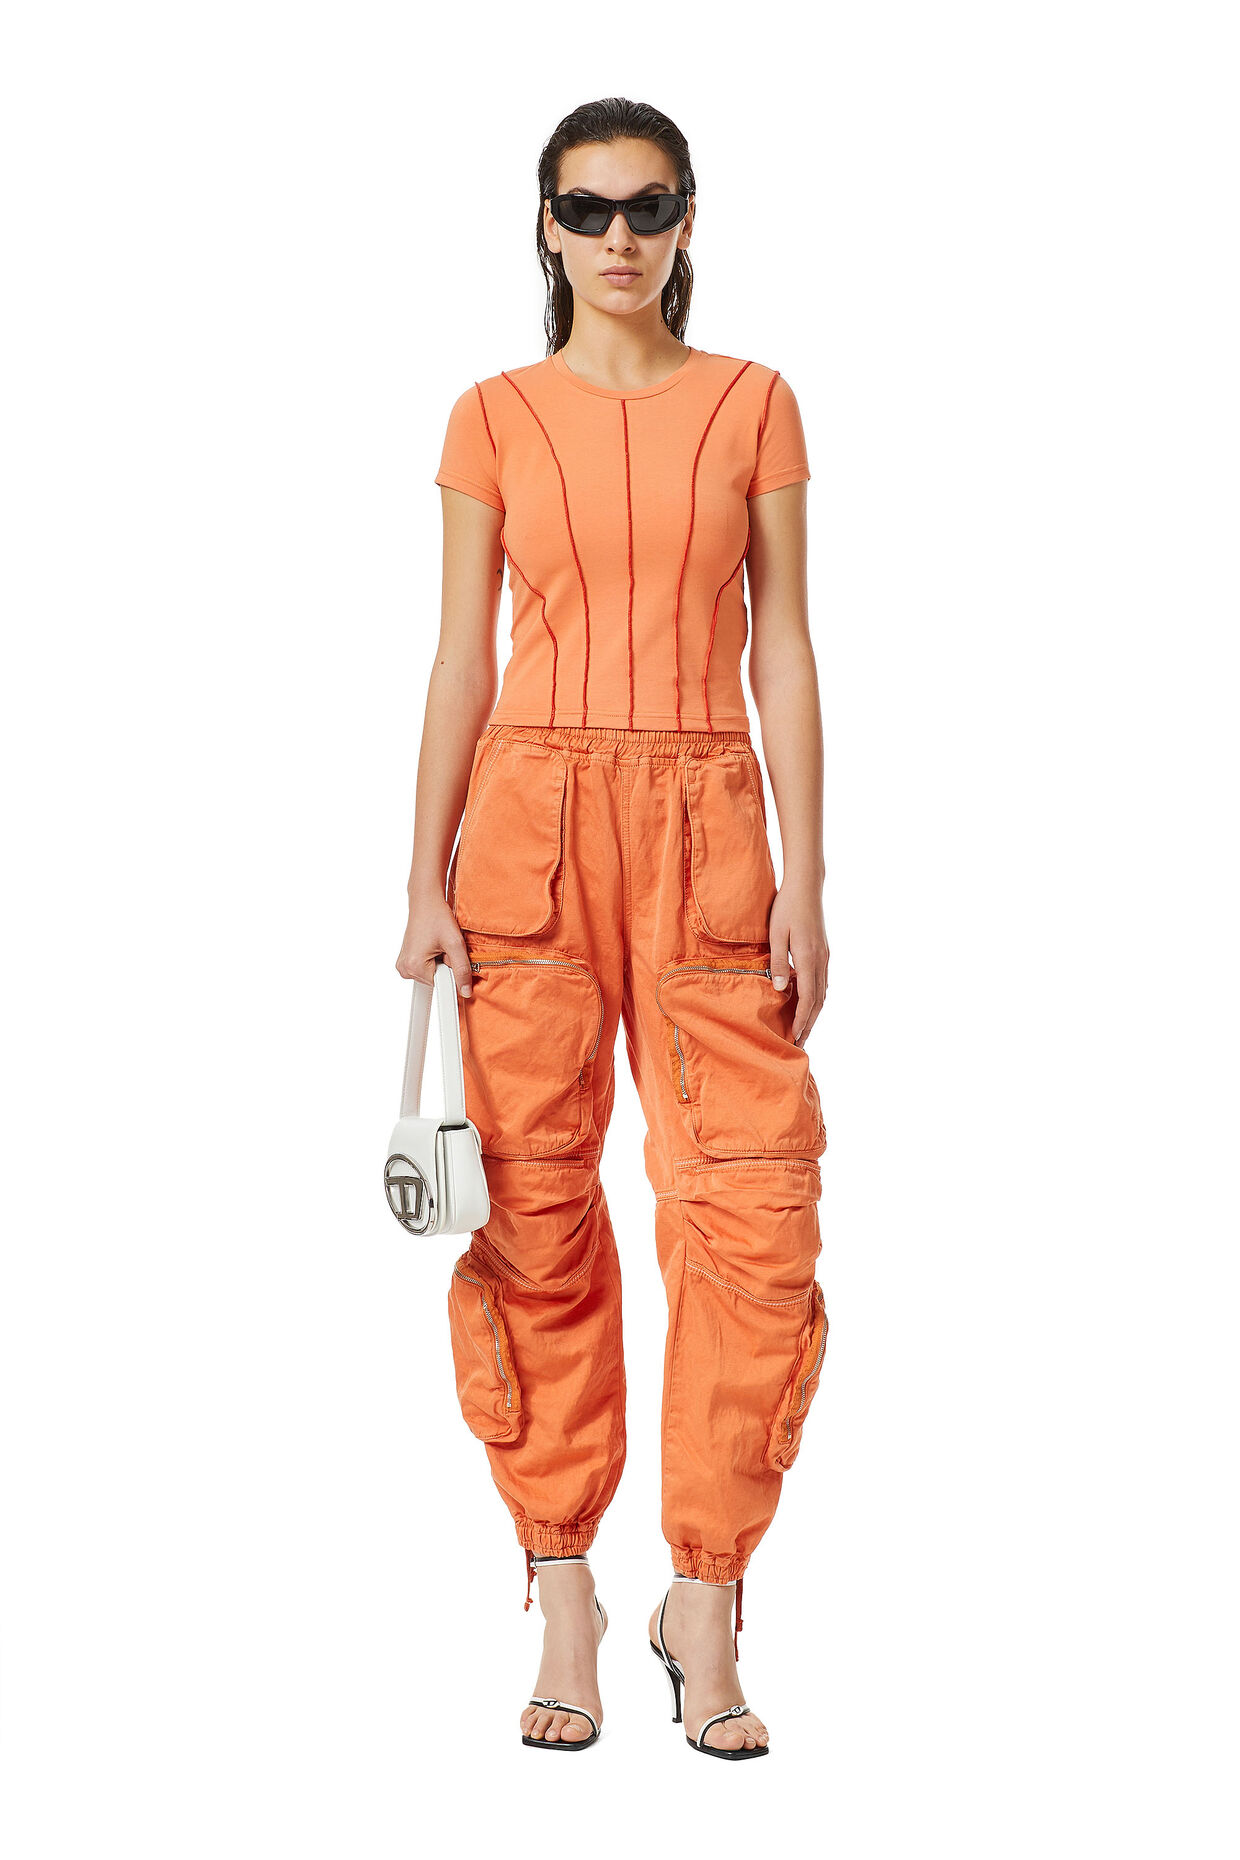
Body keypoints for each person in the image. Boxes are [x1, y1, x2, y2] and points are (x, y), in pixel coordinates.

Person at [396, 96, 830, 1760]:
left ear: (690, 220)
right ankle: (565, 1584)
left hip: (711, 830)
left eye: (649, 207)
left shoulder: (756, 402)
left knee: (751, 1217)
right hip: (531, 833)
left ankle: (703, 1601)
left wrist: (808, 876)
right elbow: (461, 656)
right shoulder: (492, 415)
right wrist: (420, 879)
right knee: (534, 1209)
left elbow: (784, 647)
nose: (620, 238)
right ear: (547, 228)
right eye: (587, 209)